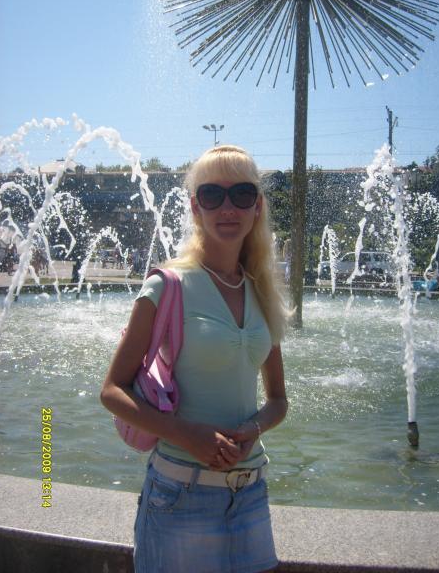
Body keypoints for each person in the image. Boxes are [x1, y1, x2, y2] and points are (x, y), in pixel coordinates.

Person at [100, 145, 289, 573]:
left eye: (242, 194)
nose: (228, 207)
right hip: (179, 493)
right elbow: (111, 391)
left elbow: (278, 400)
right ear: (195, 207)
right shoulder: (167, 286)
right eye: (212, 195)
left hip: (251, 493)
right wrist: (189, 435)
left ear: (257, 206)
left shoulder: (262, 291)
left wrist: (252, 429)